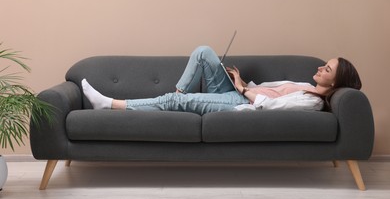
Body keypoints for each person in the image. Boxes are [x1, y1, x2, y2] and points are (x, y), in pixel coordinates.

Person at [81, 46, 361, 115]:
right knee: (204, 52)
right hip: (242, 92)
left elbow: (269, 107)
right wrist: (244, 82)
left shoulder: (312, 103)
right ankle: (177, 94)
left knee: (174, 101)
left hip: (241, 106)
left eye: (328, 69)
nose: (321, 67)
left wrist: (240, 90)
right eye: (325, 64)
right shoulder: (307, 86)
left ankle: (108, 105)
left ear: (336, 82)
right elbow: (268, 92)